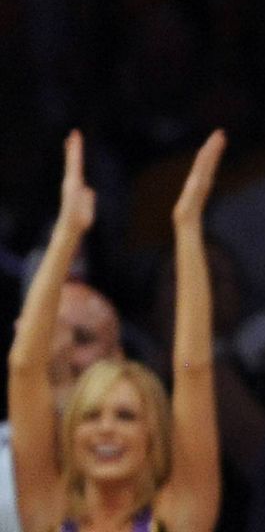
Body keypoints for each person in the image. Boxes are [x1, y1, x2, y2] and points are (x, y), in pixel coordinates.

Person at [7, 129, 224, 531]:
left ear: (152, 435)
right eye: (90, 416)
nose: (106, 428)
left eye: (125, 416)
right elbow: (24, 366)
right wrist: (67, 232)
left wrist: (188, 228)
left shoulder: (180, 516)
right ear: (72, 434)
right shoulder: (46, 511)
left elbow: (195, 369)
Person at [1, 277, 123, 531]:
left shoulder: (152, 461)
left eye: (81, 338)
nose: (60, 353)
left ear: (117, 358)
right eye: (47, 336)